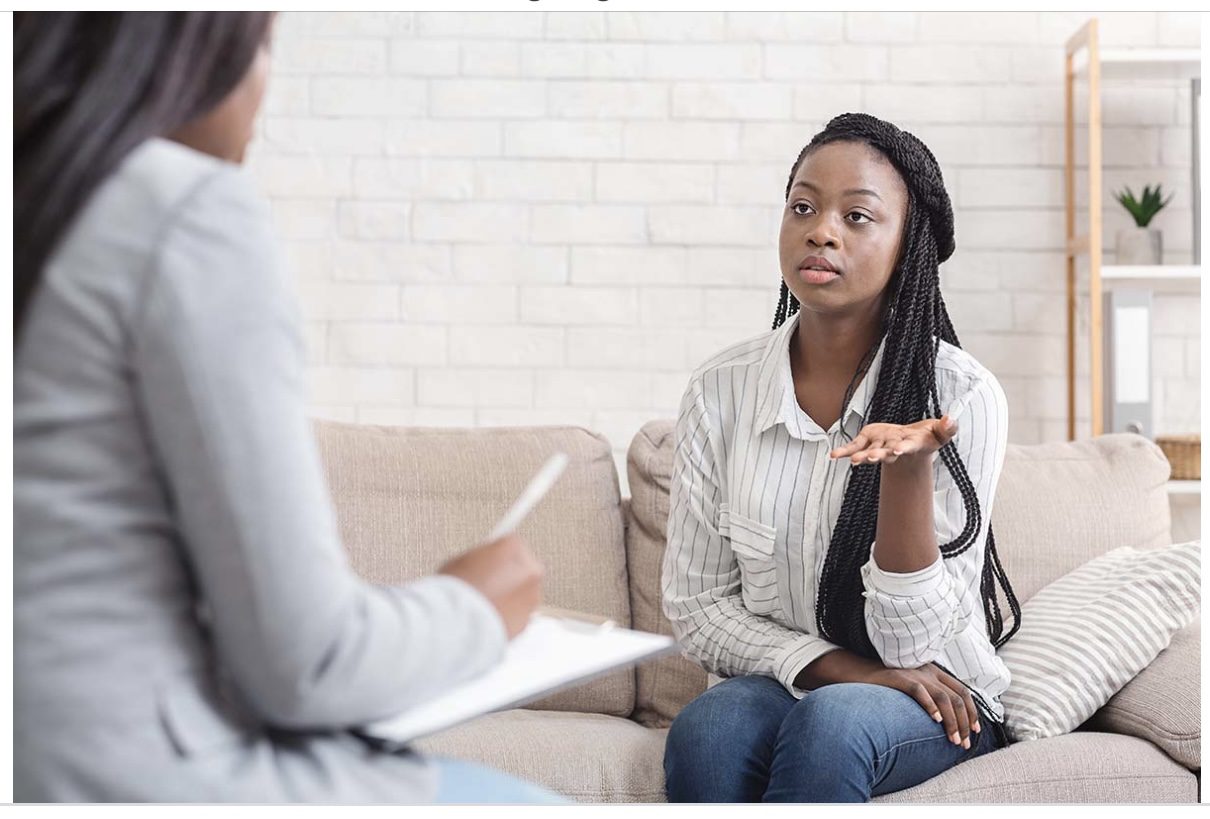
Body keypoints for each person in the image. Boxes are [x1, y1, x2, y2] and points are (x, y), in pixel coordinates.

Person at [14, 12, 561, 803]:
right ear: (190, 48)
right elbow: (308, 664)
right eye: (262, 43)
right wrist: (475, 606)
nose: (265, 84)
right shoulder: (184, 209)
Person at [660, 112, 1024, 803]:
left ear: (907, 244)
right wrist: (838, 666)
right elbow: (700, 608)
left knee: (835, 724)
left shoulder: (962, 396)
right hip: (796, 678)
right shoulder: (721, 391)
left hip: (937, 694)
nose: (820, 229)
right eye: (803, 205)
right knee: (709, 727)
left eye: (858, 216)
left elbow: (911, 644)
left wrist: (906, 472)